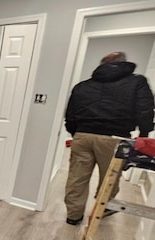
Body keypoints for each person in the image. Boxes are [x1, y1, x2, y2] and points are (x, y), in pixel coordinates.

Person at [64, 51, 154, 225]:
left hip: (82, 136)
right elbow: (145, 110)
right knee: (109, 179)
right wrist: (144, 135)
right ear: (124, 63)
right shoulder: (137, 82)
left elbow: (70, 115)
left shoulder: (82, 86)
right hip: (115, 138)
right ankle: (101, 211)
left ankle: (73, 216)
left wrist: (76, 132)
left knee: (76, 178)